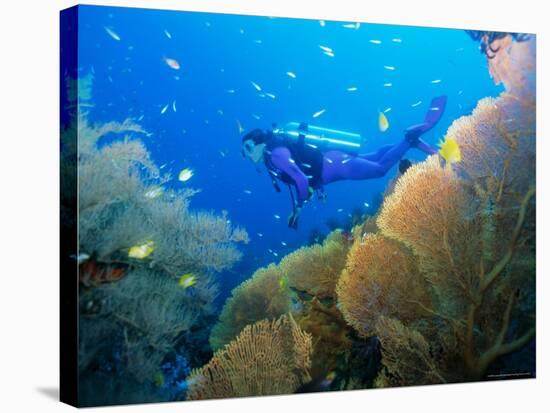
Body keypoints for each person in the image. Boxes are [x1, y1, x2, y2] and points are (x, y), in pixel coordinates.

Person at [241, 96, 447, 229]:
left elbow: (301, 180)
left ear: (260, 143)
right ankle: (407, 142)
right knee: (375, 157)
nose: (248, 155)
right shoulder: (271, 157)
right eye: (244, 153)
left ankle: (409, 139)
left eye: (249, 148)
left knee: (380, 169)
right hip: (334, 159)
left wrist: (301, 205)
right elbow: (305, 172)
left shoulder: (275, 154)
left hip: (336, 165)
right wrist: (316, 191)